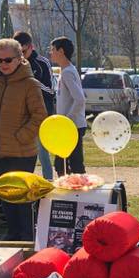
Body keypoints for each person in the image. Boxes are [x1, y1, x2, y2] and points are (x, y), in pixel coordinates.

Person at [0, 38, 47, 240]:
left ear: (20, 59)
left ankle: (27, 236)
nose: (3, 64)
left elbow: (39, 116)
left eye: (8, 60)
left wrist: (22, 137)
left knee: (22, 197)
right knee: (5, 194)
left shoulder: (30, 85)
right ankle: (13, 234)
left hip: (22, 152)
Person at [13, 30, 56, 180]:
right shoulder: (14, 62)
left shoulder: (42, 63)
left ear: (31, 47)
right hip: (21, 116)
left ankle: (48, 182)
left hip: (41, 116)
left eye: (23, 51)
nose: (21, 56)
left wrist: (32, 82)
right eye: (17, 52)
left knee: (43, 154)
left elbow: (51, 90)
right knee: (22, 154)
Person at [48, 36, 87, 176]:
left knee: (70, 164)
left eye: (53, 50)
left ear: (61, 51)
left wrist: (67, 120)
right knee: (62, 163)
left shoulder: (67, 72)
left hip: (72, 126)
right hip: (68, 126)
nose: (50, 53)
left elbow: (80, 99)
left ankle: (77, 193)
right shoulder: (66, 71)